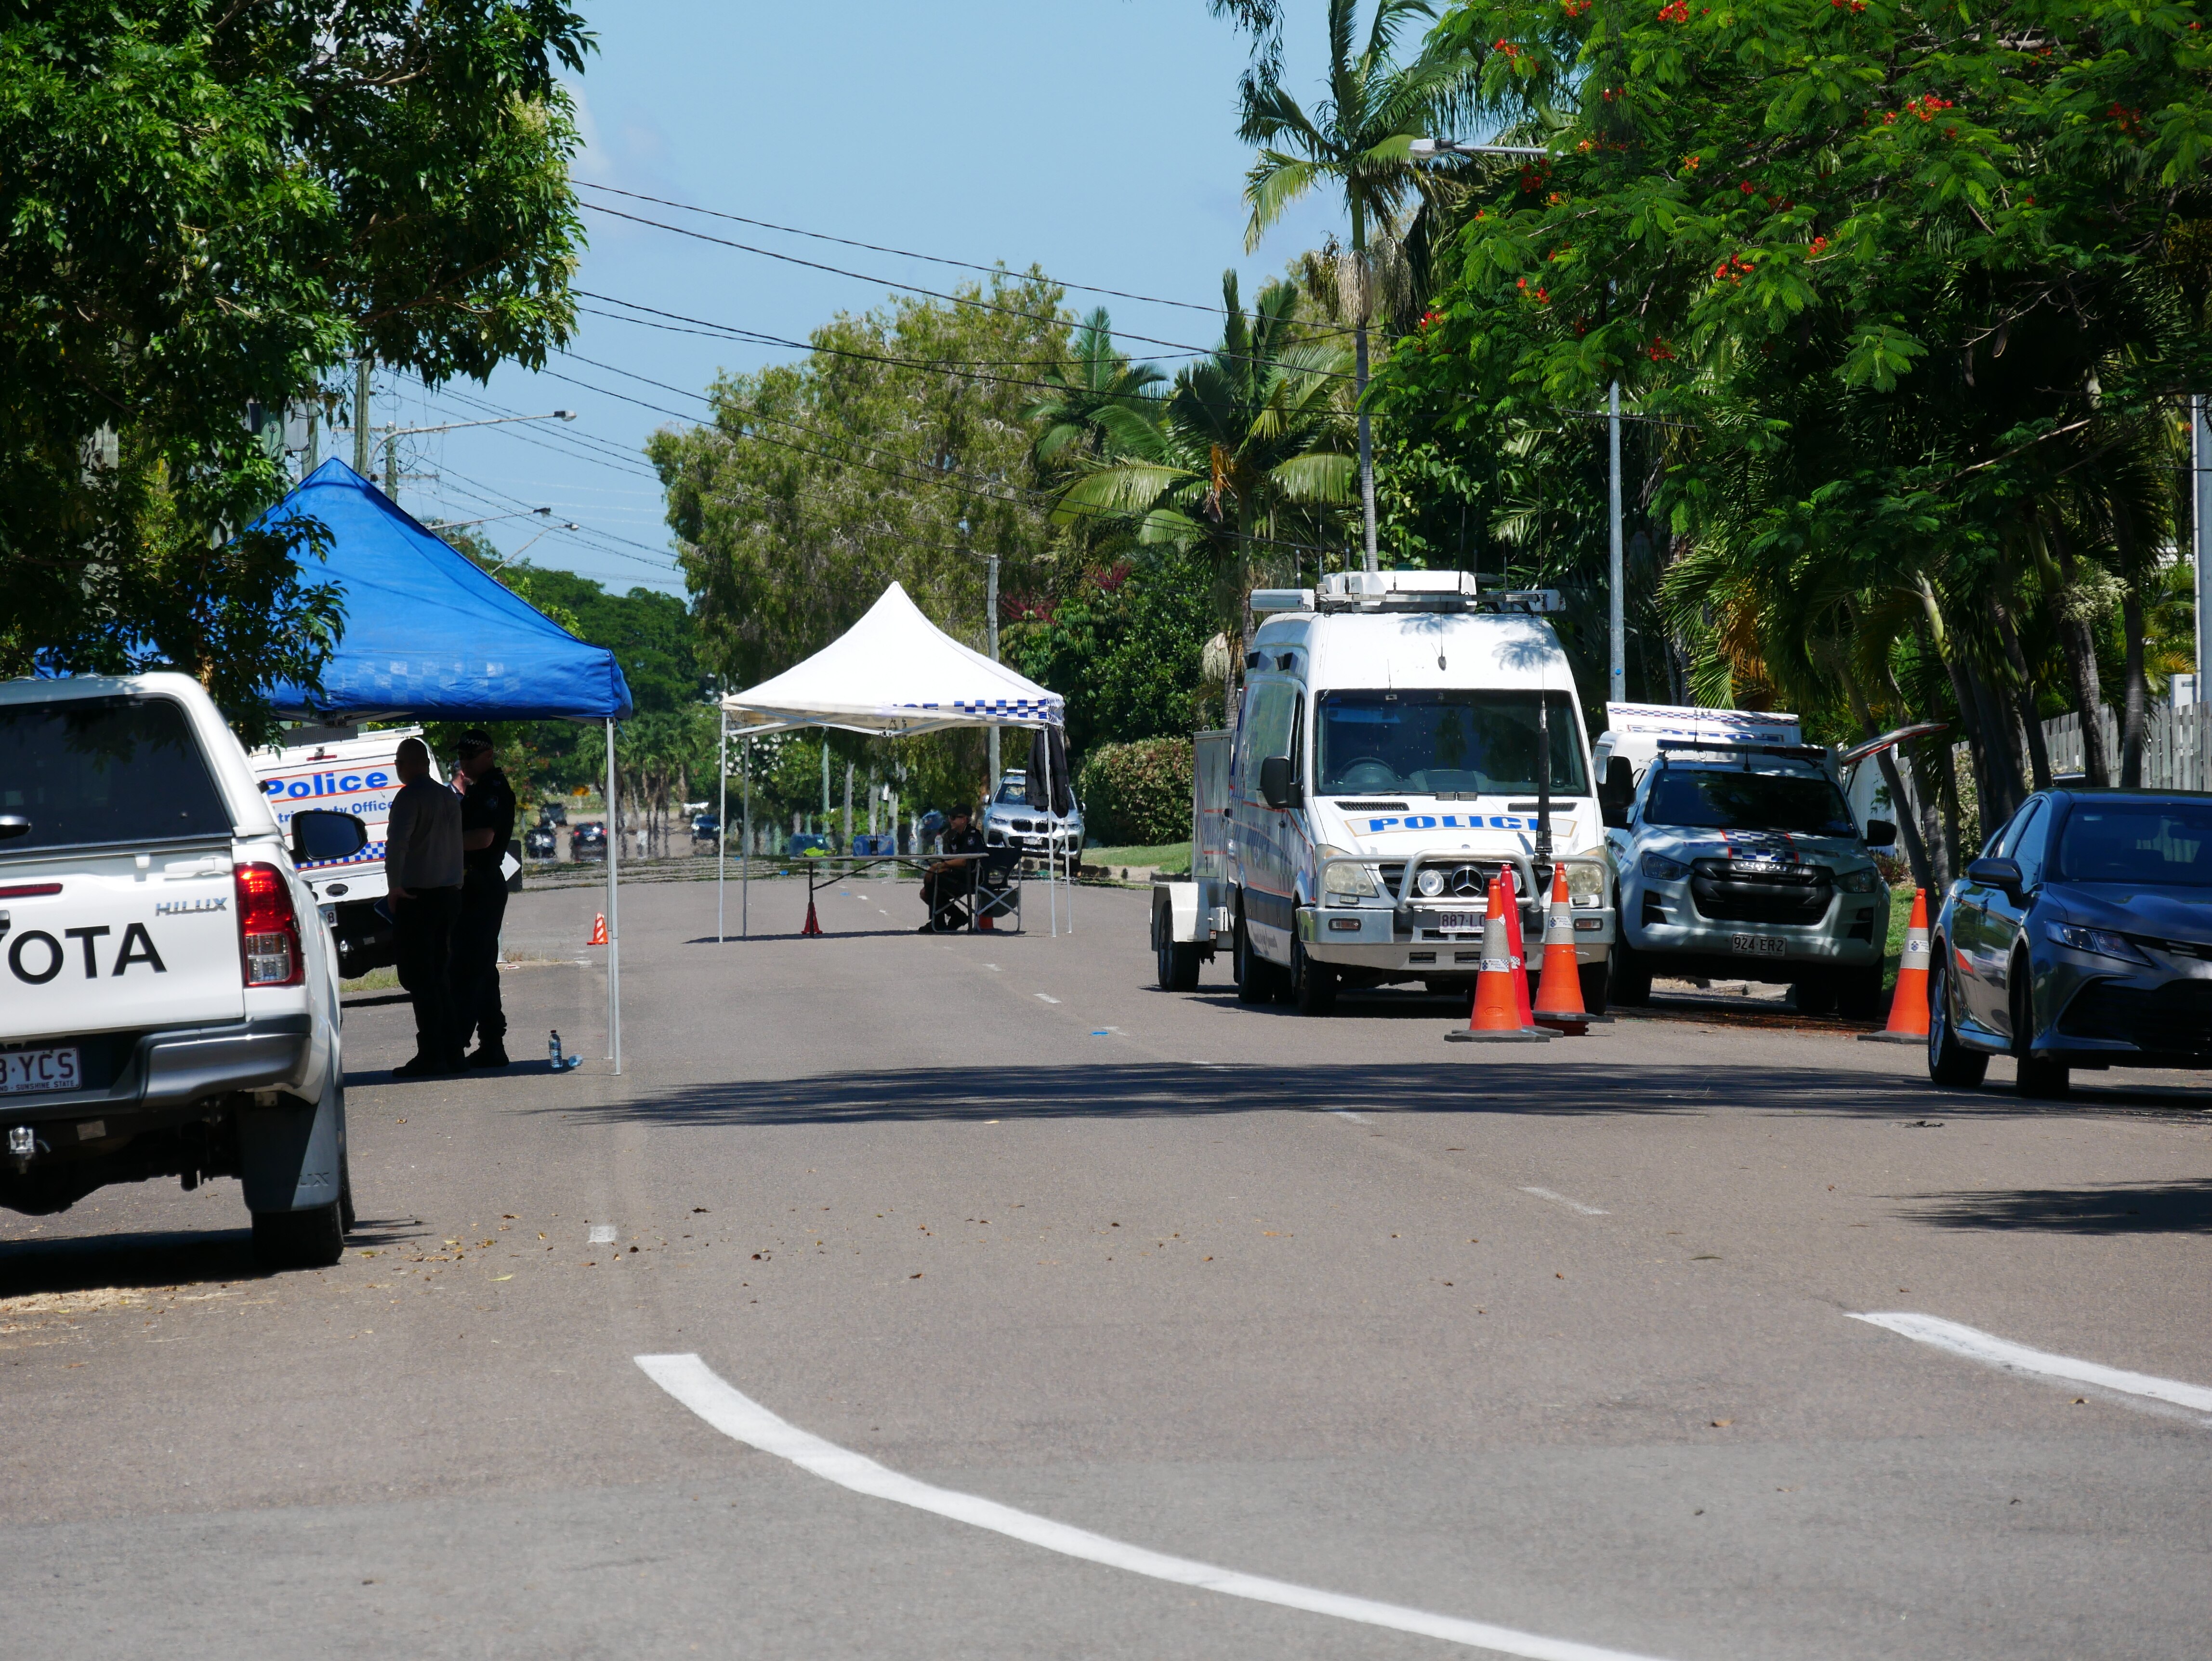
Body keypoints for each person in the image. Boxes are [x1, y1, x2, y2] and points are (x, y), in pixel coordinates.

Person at [384, 737, 464, 1076]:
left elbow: (397, 846)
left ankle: (432, 1051)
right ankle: (453, 1050)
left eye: (399, 762)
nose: (397, 768)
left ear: (411, 763)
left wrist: (394, 888)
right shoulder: (448, 796)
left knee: (420, 976)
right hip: (449, 893)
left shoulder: (409, 797)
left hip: (417, 896)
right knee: (441, 974)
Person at [452, 730, 517, 1069]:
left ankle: (462, 1039)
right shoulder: (477, 789)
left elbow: (484, 837)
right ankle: (491, 1042)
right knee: (479, 967)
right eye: (461, 757)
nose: (463, 763)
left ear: (488, 755)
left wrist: (443, 842)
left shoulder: (492, 791)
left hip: (482, 883)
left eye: (469, 757)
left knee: (472, 967)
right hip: (472, 885)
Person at [919, 804, 985, 932]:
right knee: (928, 889)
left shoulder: (972, 836)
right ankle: (957, 916)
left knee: (935, 881)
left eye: (954, 817)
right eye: (950, 817)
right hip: (959, 876)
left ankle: (938, 923)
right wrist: (938, 865)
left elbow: (966, 861)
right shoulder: (954, 837)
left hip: (971, 878)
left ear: (964, 820)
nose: (951, 820)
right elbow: (952, 859)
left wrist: (941, 866)